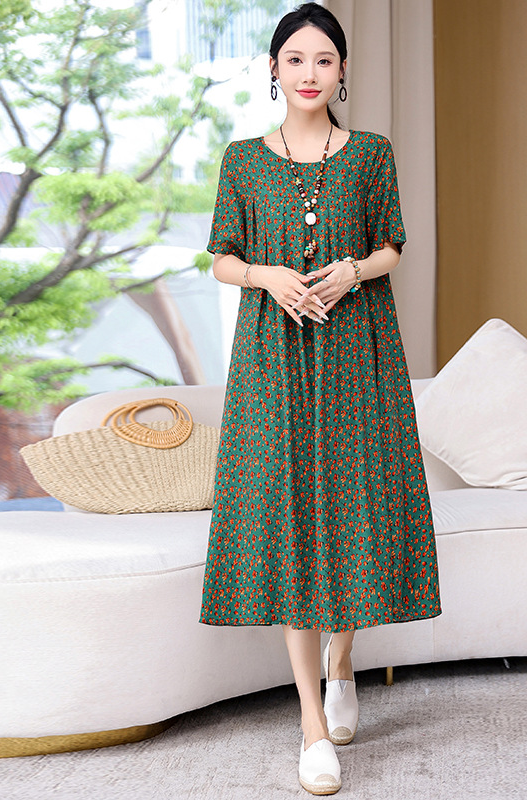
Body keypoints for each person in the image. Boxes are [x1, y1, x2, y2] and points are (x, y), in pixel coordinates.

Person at [199, 3, 441, 794]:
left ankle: (344, 661)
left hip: (357, 355)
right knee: (292, 523)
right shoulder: (243, 161)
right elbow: (221, 259)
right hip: (272, 362)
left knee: (353, 508)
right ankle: (311, 726)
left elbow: (392, 243)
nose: (310, 73)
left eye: (324, 60)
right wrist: (267, 275)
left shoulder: (370, 153)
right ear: (273, 69)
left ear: (342, 71)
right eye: (295, 59)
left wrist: (354, 270)